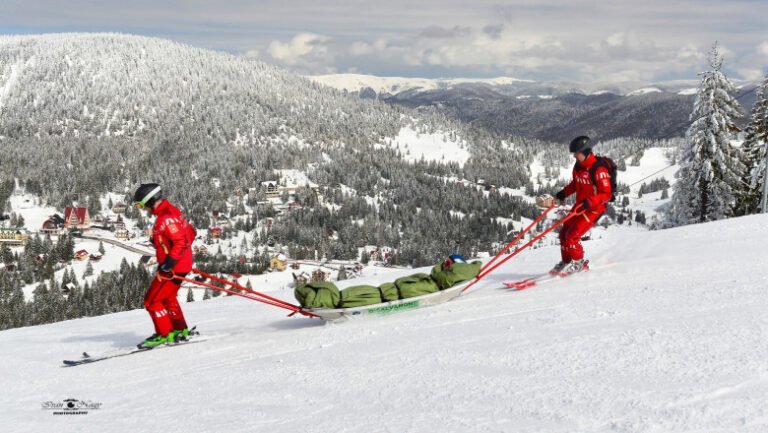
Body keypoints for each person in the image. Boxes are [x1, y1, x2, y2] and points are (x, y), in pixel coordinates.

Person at [133, 183, 196, 348]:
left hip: (173, 268)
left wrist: (168, 264)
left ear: (149, 200)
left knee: (151, 301)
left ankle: (164, 333)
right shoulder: (172, 211)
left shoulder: (166, 218)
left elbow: (181, 241)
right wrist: (160, 241)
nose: (142, 209)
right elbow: (190, 232)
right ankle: (179, 329)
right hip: (180, 264)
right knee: (167, 298)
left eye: (141, 204)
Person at [548, 136, 612, 276]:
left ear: (585, 151)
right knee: (564, 233)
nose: (574, 155)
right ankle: (566, 261)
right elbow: (575, 185)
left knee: (572, 235)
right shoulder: (578, 166)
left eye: (576, 153)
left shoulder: (598, 170)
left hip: (594, 209)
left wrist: (590, 201)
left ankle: (579, 263)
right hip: (580, 206)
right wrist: (563, 194)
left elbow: (606, 194)